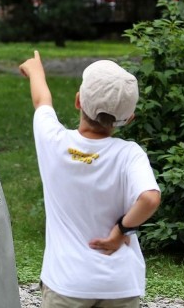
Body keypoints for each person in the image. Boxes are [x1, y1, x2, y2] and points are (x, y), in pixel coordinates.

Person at [19, 53, 161, 308]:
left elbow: (42, 101)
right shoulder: (129, 154)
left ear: (77, 101)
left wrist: (36, 71)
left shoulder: (53, 141)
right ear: (128, 119)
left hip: (67, 283)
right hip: (120, 285)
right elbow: (150, 198)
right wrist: (121, 230)